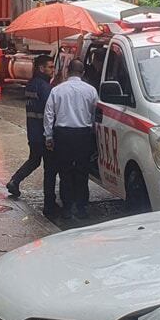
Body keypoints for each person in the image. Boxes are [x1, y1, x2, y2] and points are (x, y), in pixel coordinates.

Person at [44, 60, 99, 219]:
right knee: (82, 171)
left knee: (65, 172)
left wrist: (48, 136)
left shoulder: (57, 90)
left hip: (63, 135)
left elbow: (49, 114)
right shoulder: (91, 91)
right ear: (82, 73)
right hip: (83, 135)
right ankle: (82, 207)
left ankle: (67, 207)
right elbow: (95, 114)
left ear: (68, 71)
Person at [5, 55, 59, 215]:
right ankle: (50, 202)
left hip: (33, 132)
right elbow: (51, 110)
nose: (53, 70)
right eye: (50, 67)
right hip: (44, 133)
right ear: (41, 68)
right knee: (50, 168)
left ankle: (15, 180)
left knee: (34, 160)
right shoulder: (45, 87)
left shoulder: (31, 85)